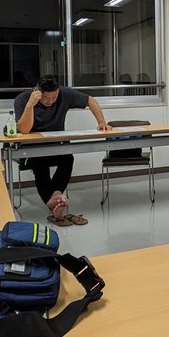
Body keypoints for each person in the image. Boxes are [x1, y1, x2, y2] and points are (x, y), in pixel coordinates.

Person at [13, 75, 113, 226]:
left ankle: (56, 195)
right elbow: (25, 130)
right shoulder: (22, 99)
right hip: (31, 147)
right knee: (40, 164)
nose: (51, 101)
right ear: (36, 91)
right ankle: (53, 202)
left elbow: (90, 100)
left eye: (54, 97)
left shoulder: (64, 94)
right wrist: (30, 105)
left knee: (67, 158)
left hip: (56, 145)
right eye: (46, 98)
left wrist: (101, 122)